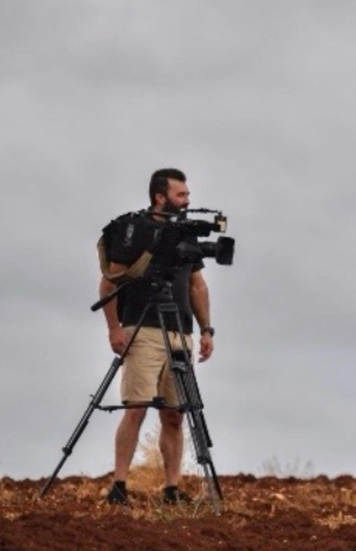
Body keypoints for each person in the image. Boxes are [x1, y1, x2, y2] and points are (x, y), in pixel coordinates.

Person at [97, 168, 216, 506]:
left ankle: (172, 488)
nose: (188, 200)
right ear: (159, 197)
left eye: (188, 194)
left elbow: (197, 285)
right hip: (143, 328)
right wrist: (114, 328)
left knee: (175, 413)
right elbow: (109, 282)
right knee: (136, 408)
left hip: (181, 331)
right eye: (181, 195)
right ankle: (120, 485)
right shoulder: (136, 232)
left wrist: (206, 329)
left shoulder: (185, 233)